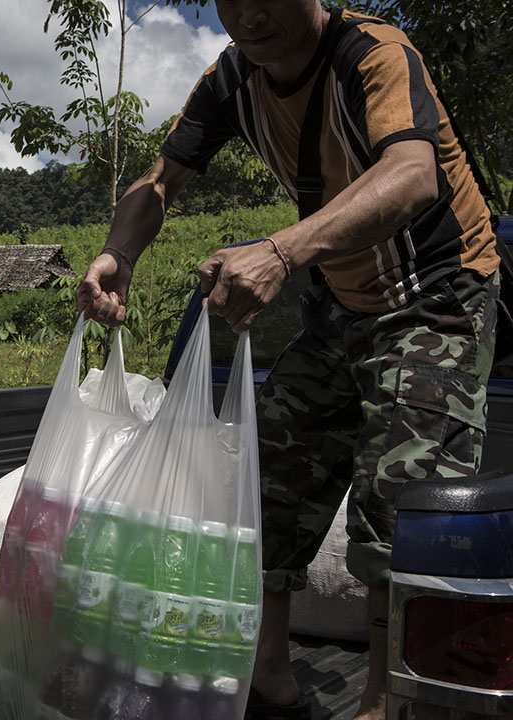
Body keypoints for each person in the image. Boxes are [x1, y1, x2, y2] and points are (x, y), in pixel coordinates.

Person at [77, 2, 499, 720]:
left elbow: (410, 176)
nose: (249, 15)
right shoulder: (230, 80)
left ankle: (385, 700)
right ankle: (266, 672)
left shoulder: (373, 54)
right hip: (343, 301)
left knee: (401, 499)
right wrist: (119, 252)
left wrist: (281, 251)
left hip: (437, 296)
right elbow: (159, 184)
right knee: (262, 478)